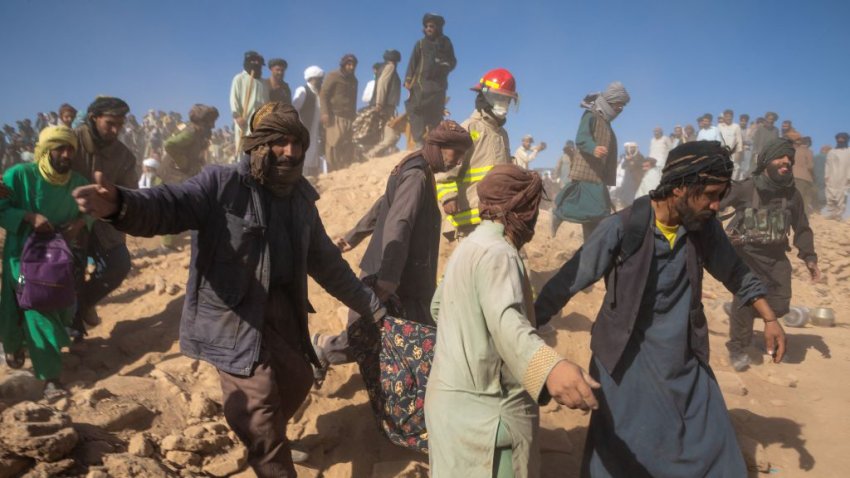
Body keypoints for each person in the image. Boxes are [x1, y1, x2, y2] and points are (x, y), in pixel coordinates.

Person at [72, 102, 385, 478]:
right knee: (261, 413)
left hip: (283, 312)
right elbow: (170, 205)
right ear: (257, 145)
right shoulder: (221, 185)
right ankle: (266, 448)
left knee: (300, 378)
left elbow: (328, 264)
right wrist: (121, 204)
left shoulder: (301, 198)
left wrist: (370, 305)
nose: (291, 152)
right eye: (278, 141)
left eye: (297, 142)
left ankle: (262, 435)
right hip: (235, 318)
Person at [535, 140, 786, 477]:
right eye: (710, 194)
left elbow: (735, 272)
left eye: (720, 196)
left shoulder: (704, 229)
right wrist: (526, 328)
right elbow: (569, 280)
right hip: (626, 357)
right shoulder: (622, 228)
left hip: (682, 353)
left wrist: (769, 318)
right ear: (680, 187)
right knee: (624, 446)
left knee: (711, 439)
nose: (716, 205)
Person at [427, 164, 601, 478]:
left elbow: (438, 308)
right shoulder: (500, 254)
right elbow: (507, 322)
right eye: (533, 210)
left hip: (449, 414)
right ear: (523, 210)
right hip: (489, 425)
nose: (534, 222)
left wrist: (473, 342)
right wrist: (550, 367)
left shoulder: (468, 246)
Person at [314, 120, 472, 368]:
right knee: (368, 335)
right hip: (395, 276)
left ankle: (326, 351)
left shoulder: (414, 166)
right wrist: (388, 276)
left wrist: (354, 236)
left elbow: (382, 205)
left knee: (401, 336)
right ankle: (323, 352)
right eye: (457, 154)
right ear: (440, 146)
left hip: (400, 274)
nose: (458, 161)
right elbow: (399, 222)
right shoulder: (417, 175)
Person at [0, 126, 91, 398]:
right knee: (16, 306)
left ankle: (46, 365)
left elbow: (90, 211)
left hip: (56, 258)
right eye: (59, 148)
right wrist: (29, 217)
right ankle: (35, 364)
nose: (66, 154)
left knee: (44, 305)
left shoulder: (77, 182)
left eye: (70, 149)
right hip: (21, 254)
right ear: (45, 149)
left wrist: (79, 223)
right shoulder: (19, 175)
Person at [721, 137, 818, 371]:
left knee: (780, 304)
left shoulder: (793, 195)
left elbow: (802, 227)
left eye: (789, 159)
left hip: (776, 258)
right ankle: (738, 347)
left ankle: (742, 316)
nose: (786, 162)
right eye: (780, 158)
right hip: (746, 256)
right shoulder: (746, 187)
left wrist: (810, 257)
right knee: (747, 298)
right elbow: (715, 204)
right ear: (766, 161)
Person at [70, 97, 137, 332]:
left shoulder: (124, 156)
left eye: (120, 124)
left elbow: (131, 195)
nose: (115, 130)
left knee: (119, 265)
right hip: (68, 222)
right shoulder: (71, 142)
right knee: (69, 272)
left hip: (103, 224)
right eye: (110, 123)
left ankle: (85, 303)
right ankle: (74, 330)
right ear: (93, 118)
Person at [435, 68, 517, 241]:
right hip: (471, 219)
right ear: (484, 97)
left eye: (507, 100)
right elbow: (443, 169)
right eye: (500, 98)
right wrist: (449, 197)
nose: (505, 104)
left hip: (498, 217)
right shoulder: (469, 128)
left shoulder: (502, 134)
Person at [552, 81, 629, 239]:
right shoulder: (591, 115)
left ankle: (591, 245)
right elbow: (581, 138)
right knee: (597, 211)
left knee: (595, 213)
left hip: (598, 174)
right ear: (611, 101)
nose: (620, 109)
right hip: (588, 170)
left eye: (622, 106)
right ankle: (558, 213)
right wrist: (593, 148)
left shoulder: (605, 122)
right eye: (619, 105)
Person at [404, 13, 456, 148]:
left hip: (439, 86)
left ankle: (433, 144)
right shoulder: (420, 44)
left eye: (431, 26)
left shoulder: (446, 42)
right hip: (421, 85)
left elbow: (452, 61)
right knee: (415, 110)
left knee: (436, 114)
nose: (428, 28)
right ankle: (419, 142)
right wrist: (408, 80)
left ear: (438, 27)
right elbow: (412, 62)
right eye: (426, 26)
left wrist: (445, 66)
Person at [320, 54, 358, 171]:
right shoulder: (333, 75)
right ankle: (332, 169)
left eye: (353, 65)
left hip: (348, 117)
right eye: (349, 64)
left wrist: (354, 115)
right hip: (334, 115)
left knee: (346, 144)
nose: (351, 67)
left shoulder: (354, 80)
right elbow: (323, 94)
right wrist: (325, 113)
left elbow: (354, 99)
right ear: (343, 65)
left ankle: (343, 170)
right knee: (333, 144)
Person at [162, 104, 220, 182]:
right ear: (202, 122)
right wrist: (183, 163)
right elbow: (169, 144)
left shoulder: (199, 134)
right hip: (173, 177)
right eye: (211, 122)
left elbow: (194, 152)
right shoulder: (190, 133)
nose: (213, 126)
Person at [229, 51, 269, 160]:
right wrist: (237, 116)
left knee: (258, 150)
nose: (256, 64)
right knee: (243, 148)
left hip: (259, 123)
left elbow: (267, 104)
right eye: (253, 61)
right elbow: (234, 98)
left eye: (258, 62)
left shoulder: (264, 83)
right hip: (244, 122)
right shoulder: (239, 78)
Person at [365, 50, 403, 158]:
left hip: (384, 106)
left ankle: (374, 154)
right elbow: (382, 84)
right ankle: (370, 154)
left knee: (385, 135)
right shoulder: (390, 67)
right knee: (392, 136)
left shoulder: (382, 68)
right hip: (386, 107)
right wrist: (379, 103)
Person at [292, 66, 325, 178]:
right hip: (304, 130)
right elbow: (294, 109)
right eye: (319, 79)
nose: (321, 81)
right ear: (312, 79)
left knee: (315, 156)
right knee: (305, 156)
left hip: (315, 131)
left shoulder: (319, 93)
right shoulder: (302, 90)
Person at [824, 132, 850, 219]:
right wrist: (826, 175)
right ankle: (832, 213)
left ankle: (839, 214)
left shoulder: (849, 151)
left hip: (844, 177)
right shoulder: (831, 152)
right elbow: (827, 164)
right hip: (832, 177)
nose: (840, 140)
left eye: (842, 138)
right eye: (839, 139)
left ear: (846, 140)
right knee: (830, 194)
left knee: (842, 195)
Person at [792, 135, 817, 213]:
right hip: (805, 177)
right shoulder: (808, 152)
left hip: (793, 176)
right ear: (809, 143)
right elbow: (810, 166)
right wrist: (814, 176)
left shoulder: (794, 150)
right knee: (803, 197)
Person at [813, 144, 830, 211]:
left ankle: (816, 209)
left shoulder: (814, 157)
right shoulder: (828, 158)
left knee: (815, 193)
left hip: (814, 178)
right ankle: (818, 208)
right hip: (824, 179)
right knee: (824, 196)